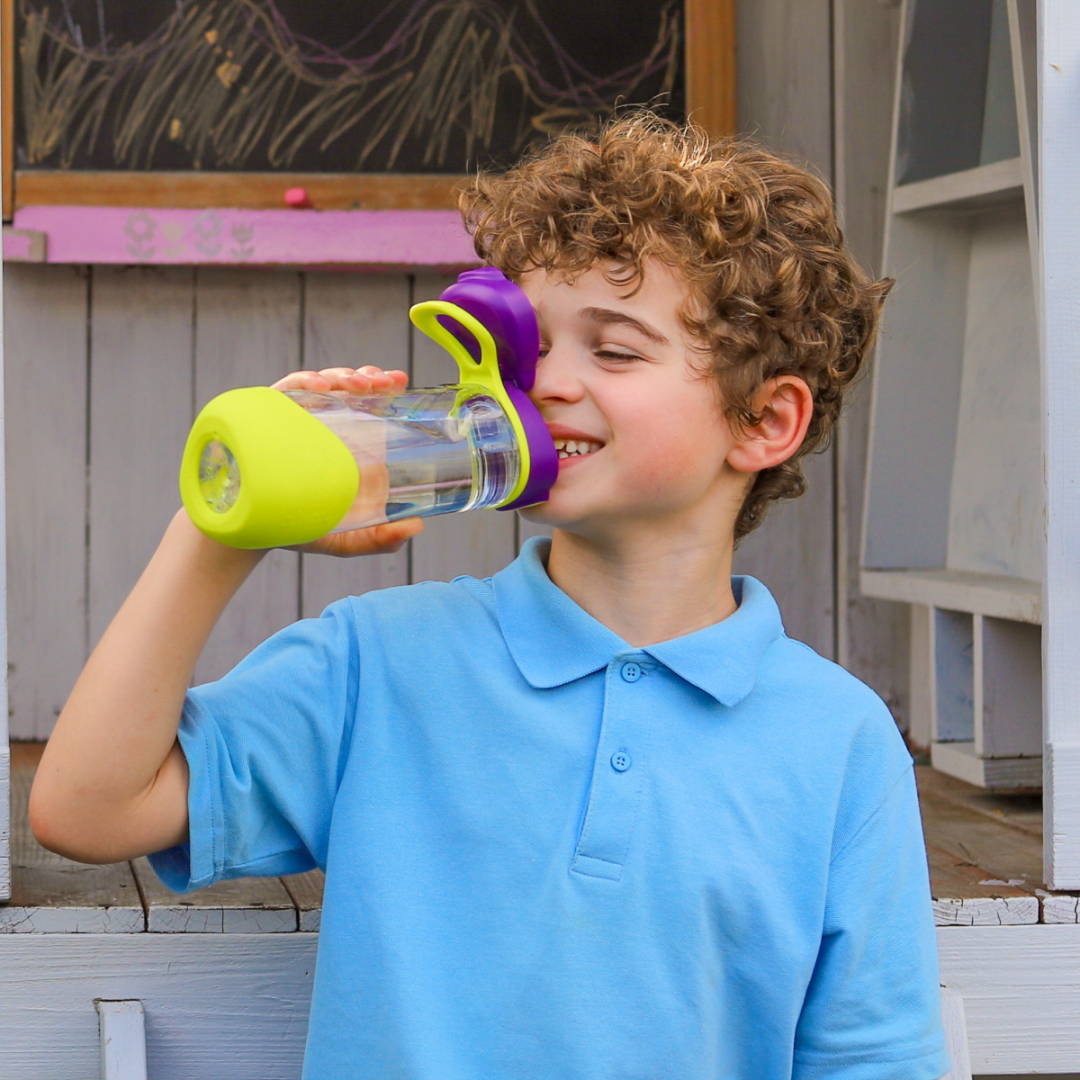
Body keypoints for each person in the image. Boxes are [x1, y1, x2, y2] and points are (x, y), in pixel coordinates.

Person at [30, 112, 949, 1079]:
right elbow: (88, 809)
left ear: (764, 421)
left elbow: (874, 1061)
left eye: (615, 351)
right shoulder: (378, 665)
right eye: (528, 346)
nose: (544, 384)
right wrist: (223, 531)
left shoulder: (839, 741)